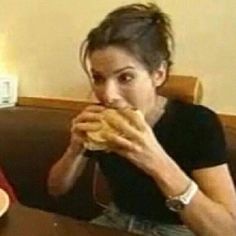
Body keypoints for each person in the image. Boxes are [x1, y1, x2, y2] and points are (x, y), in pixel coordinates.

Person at [48, 3, 236, 235]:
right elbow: (56, 189)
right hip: (115, 219)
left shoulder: (197, 123)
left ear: (158, 74)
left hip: (179, 228)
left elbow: (227, 230)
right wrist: (74, 148)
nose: (108, 95)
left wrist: (156, 160)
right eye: (98, 78)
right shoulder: (99, 121)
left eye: (125, 77)